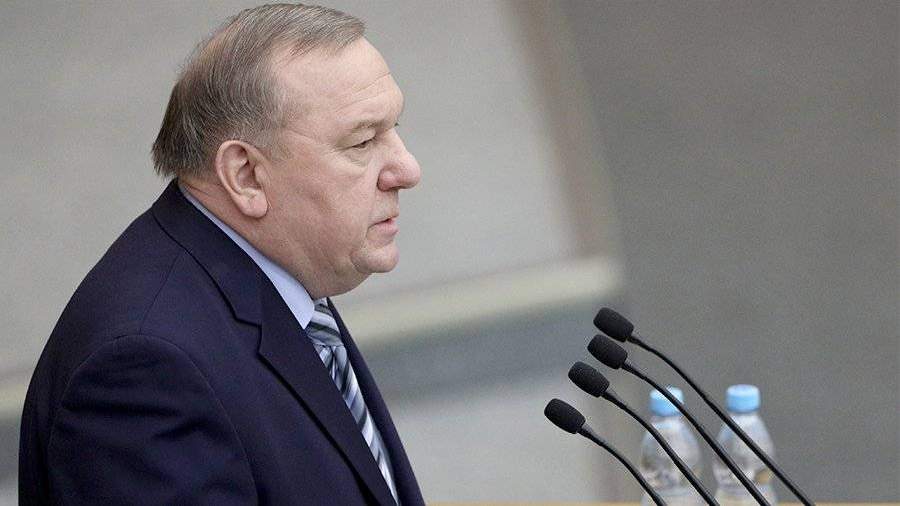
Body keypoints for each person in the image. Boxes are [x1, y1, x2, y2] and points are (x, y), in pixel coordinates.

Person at [19, 4, 424, 505]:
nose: (407, 169)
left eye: (394, 128)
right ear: (246, 175)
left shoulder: (279, 273)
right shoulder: (143, 371)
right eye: (362, 141)